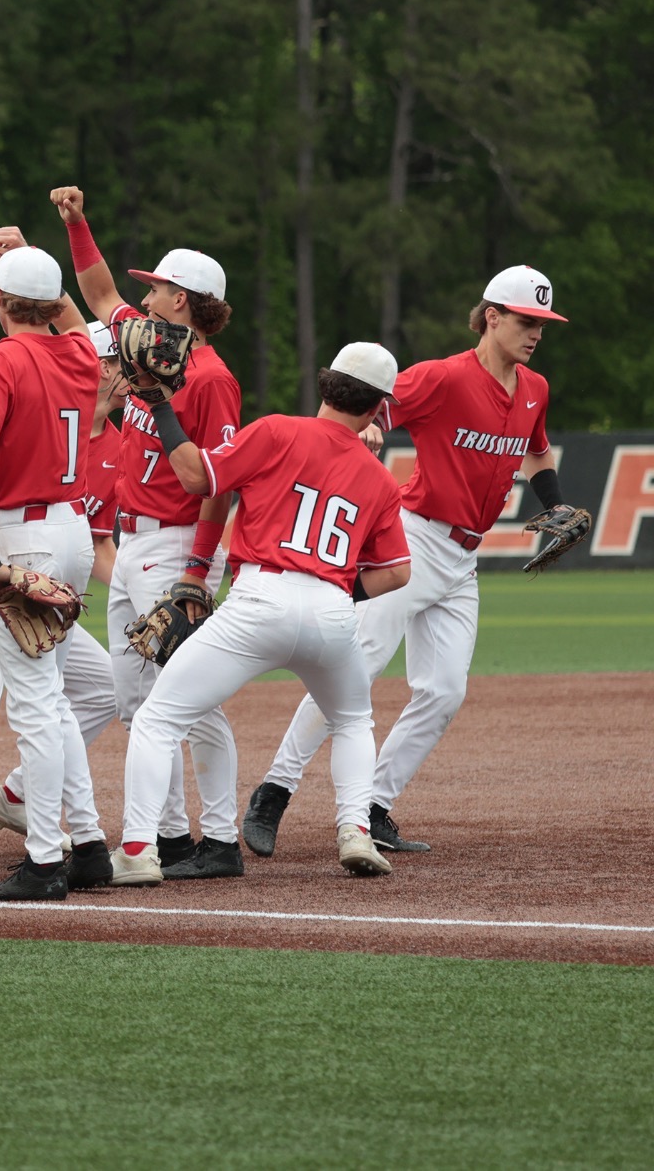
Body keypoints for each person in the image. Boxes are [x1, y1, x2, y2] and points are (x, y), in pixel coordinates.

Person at [244, 267, 575, 855]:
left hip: (465, 558)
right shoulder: (442, 378)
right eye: (528, 321)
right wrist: (368, 430)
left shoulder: (534, 388)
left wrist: (554, 505)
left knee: (444, 691)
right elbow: (365, 412)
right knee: (356, 670)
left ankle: (371, 806)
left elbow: (537, 452)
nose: (536, 334)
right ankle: (275, 789)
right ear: (492, 316)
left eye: (543, 325)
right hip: (414, 538)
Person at [112, 344, 414, 884]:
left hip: (259, 599)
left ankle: (137, 849)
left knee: (158, 719)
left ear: (326, 385)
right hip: (331, 608)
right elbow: (395, 573)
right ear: (376, 409)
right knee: (352, 721)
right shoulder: (379, 477)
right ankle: (355, 831)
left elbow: (197, 478)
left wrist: (158, 404)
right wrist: (339, 594)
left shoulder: (276, 431)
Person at [56, 186, 248, 879]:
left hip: (175, 544)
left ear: (184, 301)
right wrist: (76, 224)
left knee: (191, 699)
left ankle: (221, 839)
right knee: (138, 699)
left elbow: (218, 484)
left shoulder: (213, 378)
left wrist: (197, 572)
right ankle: (170, 839)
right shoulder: (146, 344)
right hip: (132, 543)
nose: (144, 297)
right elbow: (99, 287)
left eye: (159, 287)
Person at [0, 244, 105, 901]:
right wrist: (32, 272)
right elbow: (69, 315)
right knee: (58, 692)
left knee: (37, 705)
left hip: (21, 537)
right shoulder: (81, 353)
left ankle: (44, 861)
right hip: (73, 532)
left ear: (1, 300)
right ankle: (90, 845)